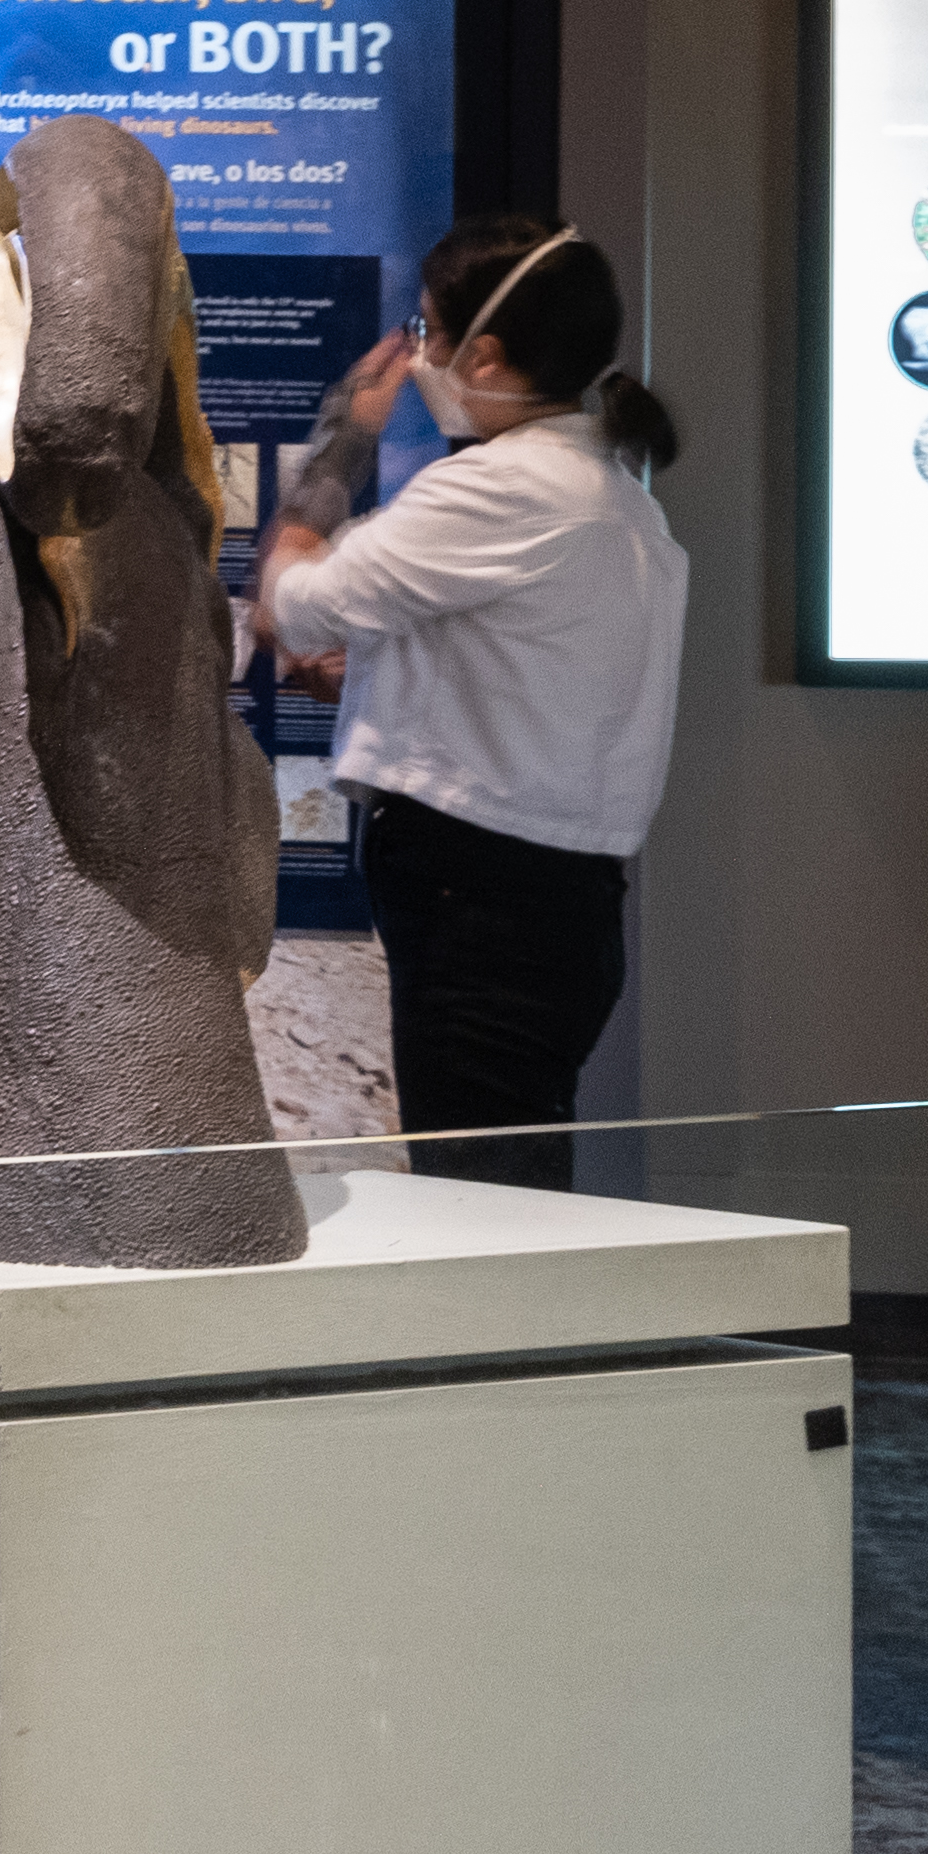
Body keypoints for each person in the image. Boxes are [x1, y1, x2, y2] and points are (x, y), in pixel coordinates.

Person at [255, 216, 694, 1186]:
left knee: (482, 1196)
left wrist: (340, 441)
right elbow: (524, 690)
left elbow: (291, 598)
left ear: (483, 354)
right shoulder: (616, 495)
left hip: (479, 910)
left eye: (425, 334)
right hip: (556, 907)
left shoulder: (501, 488)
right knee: (509, 1179)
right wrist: (363, 681)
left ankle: (493, 1348)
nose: (415, 358)